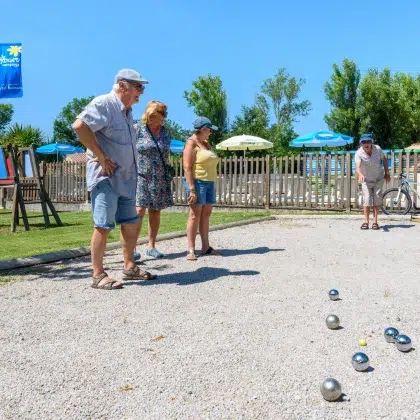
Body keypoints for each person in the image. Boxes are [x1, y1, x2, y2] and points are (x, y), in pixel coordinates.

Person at [72, 69, 157, 290]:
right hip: (106, 178)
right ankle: (98, 275)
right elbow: (80, 126)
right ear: (122, 86)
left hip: (127, 178)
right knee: (103, 225)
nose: (141, 92)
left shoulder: (127, 111)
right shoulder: (105, 104)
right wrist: (101, 157)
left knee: (130, 223)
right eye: (138, 87)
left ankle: (129, 267)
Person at [134, 100, 173, 258]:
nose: (163, 117)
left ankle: (151, 246)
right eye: (160, 114)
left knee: (155, 211)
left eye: (163, 114)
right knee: (139, 210)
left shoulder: (165, 132)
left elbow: (166, 153)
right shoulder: (138, 129)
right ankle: (132, 248)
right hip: (141, 175)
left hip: (159, 177)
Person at [183, 117, 220, 260]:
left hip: (210, 182)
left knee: (206, 214)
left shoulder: (206, 143)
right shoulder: (191, 143)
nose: (211, 132)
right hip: (197, 183)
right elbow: (186, 167)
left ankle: (206, 247)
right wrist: (192, 188)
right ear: (203, 129)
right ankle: (191, 250)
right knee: (194, 215)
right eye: (209, 129)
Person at [355, 133, 391, 230]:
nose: (366, 144)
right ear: (361, 143)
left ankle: (375, 221)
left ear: (371, 142)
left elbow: (384, 160)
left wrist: (387, 172)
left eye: (368, 141)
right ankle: (366, 221)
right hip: (366, 180)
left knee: (377, 199)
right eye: (364, 142)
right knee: (366, 200)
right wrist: (361, 174)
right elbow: (357, 167)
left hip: (378, 178)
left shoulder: (378, 149)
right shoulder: (359, 153)